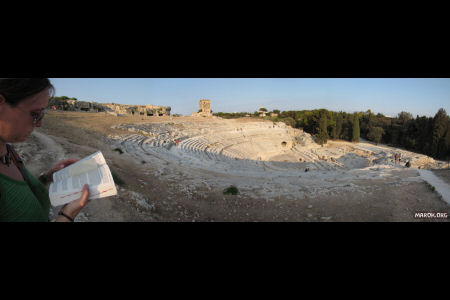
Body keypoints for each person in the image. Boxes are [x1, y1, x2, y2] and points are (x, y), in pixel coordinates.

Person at [0, 78, 89, 222]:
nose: (40, 123)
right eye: (35, 114)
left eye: (42, 114)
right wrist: (67, 216)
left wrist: (46, 178)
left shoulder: (8, 152)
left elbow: (19, 198)